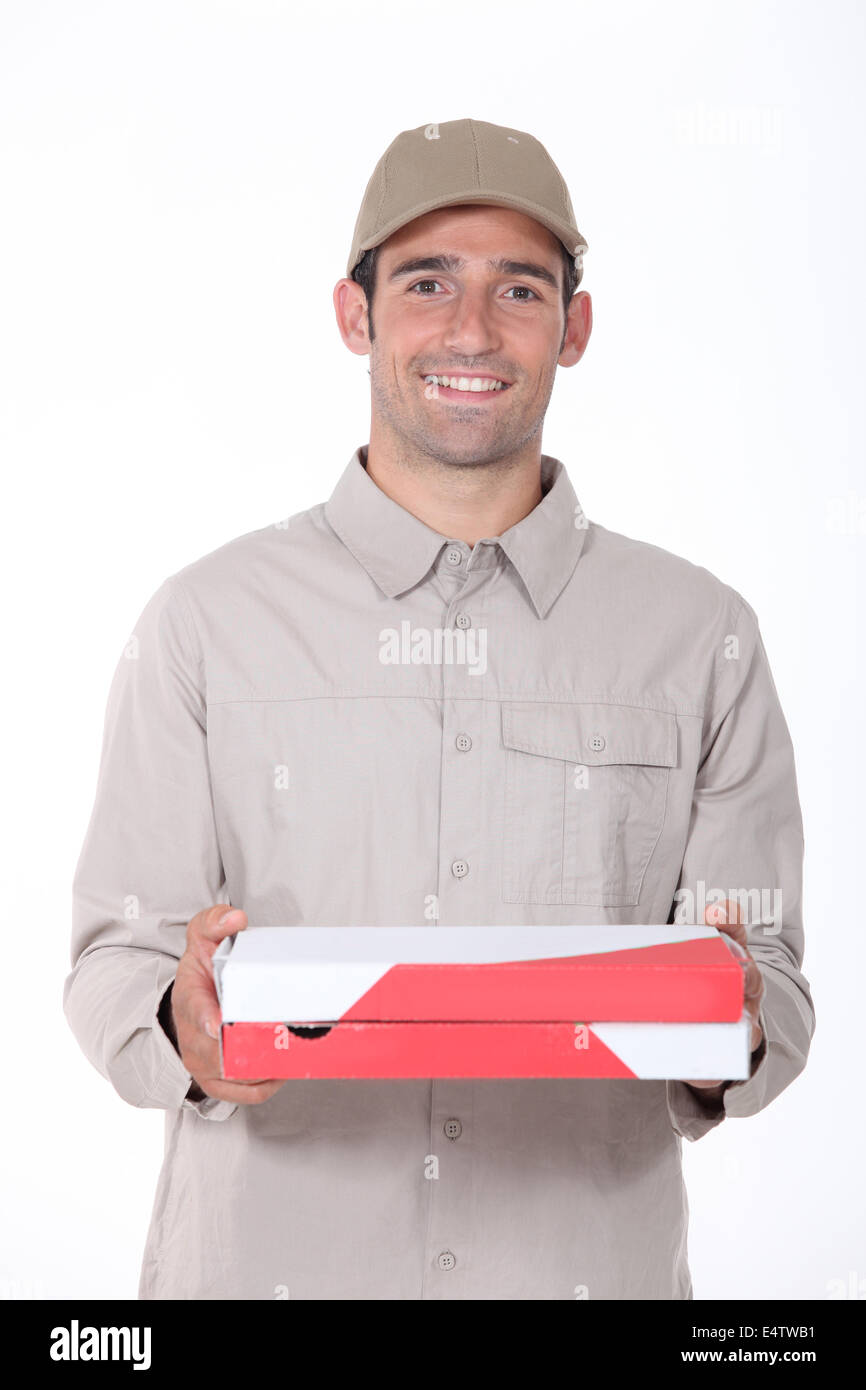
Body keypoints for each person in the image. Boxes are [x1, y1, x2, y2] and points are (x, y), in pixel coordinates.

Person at [65, 117, 814, 1300]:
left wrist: (736, 1021)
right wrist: (178, 1020)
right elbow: (116, 954)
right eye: (425, 282)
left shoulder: (699, 636)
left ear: (572, 328)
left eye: (517, 288)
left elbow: (769, 978)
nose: (470, 329)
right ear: (354, 315)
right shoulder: (203, 624)